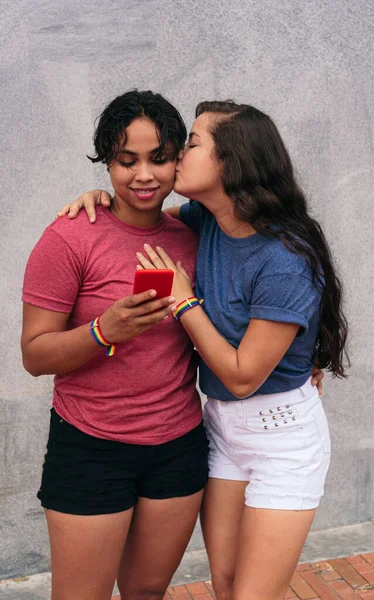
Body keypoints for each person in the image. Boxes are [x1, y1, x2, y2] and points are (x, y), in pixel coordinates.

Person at [57, 100, 337, 600]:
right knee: (226, 584)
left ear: (232, 161)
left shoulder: (284, 258)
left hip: (282, 438)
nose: (177, 157)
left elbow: (243, 375)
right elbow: (138, 212)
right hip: (222, 427)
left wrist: (185, 301)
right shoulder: (204, 220)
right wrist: (99, 199)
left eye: (190, 144)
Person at [21, 90, 211, 600]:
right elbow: (34, 355)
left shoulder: (195, 232)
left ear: (178, 161)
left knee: (146, 592)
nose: (144, 175)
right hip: (91, 446)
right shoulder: (70, 236)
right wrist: (103, 332)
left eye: (159, 158)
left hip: (178, 446)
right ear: (107, 161)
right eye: (127, 161)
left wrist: (309, 358)